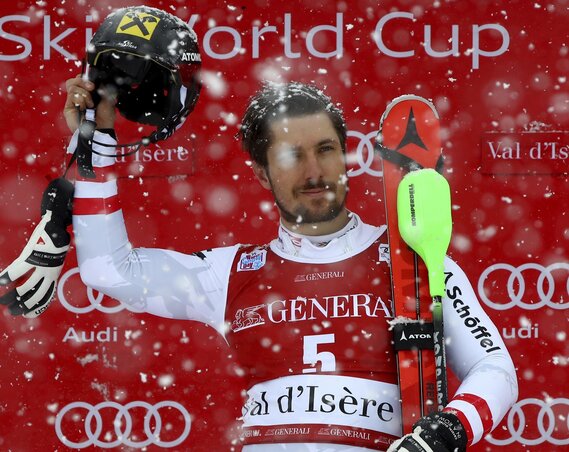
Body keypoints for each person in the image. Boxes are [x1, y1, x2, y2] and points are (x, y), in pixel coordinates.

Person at [64, 77, 518, 451]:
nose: (314, 172)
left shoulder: (415, 261)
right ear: (262, 173)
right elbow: (109, 269)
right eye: (290, 156)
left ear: (346, 155)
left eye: (325, 149)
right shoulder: (232, 272)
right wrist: (95, 147)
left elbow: (495, 369)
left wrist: (447, 431)